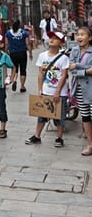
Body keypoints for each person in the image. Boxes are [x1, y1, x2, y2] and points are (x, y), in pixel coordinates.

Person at [25, 31, 69, 147]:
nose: (52, 40)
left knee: (59, 115)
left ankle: (59, 138)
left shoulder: (63, 58)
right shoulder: (42, 56)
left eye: (55, 38)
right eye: (51, 38)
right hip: (46, 90)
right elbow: (40, 73)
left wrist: (58, 91)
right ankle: (37, 136)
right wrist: (40, 89)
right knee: (42, 115)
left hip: (60, 92)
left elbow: (64, 75)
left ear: (61, 43)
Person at [68, 26, 92, 156]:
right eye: (78, 34)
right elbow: (70, 68)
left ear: (90, 38)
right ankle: (90, 145)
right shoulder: (75, 50)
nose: (79, 37)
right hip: (79, 89)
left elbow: (75, 67)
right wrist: (86, 70)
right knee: (85, 117)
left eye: (83, 34)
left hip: (91, 88)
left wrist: (78, 67)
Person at [5, 19, 33, 93]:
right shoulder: (24, 33)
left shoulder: (8, 33)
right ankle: (22, 86)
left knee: (14, 68)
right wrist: (30, 53)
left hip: (13, 53)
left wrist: (6, 52)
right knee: (23, 70)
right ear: (19, 25)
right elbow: (27, 44)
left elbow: (7, 44)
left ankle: (14, 80)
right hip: (22, 53)